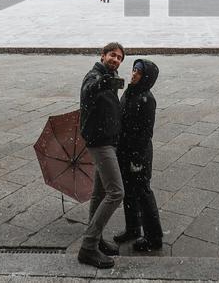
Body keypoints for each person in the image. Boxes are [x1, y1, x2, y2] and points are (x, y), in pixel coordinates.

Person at [78, 42, 126, 269]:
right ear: (103, 55)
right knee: (116, 192)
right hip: (100, 143)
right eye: (112, 55)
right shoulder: (94, 76)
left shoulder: (110, 76)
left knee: (99, 194)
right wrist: (102, 83)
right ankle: (88, 247)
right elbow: (88, 90)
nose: (116, 59)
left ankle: (95, 239)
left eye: (119, 58)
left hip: (108, 140)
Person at [114, 59, 164, 252]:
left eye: (139, 72)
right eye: (134, 70)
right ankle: (133, 228)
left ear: (147, 78)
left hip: (138, 154)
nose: (134, 74)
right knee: (128, 191)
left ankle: (154, 237)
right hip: (124, 150)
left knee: (143, 193)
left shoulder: (147, 99)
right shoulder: (129, 91)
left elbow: (146, 133)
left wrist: (137, 159)